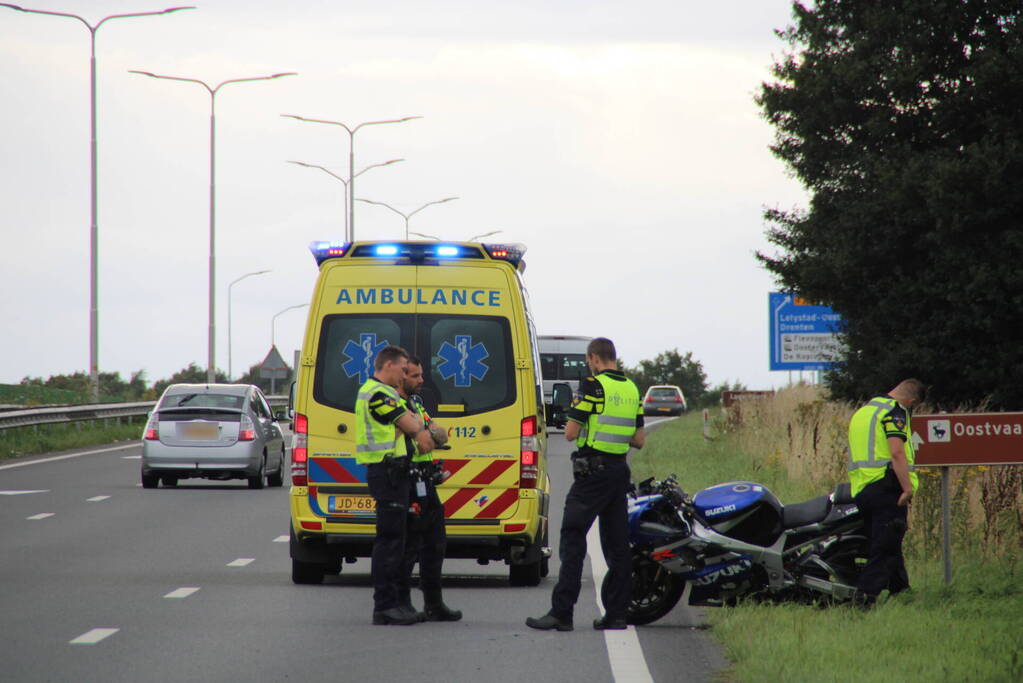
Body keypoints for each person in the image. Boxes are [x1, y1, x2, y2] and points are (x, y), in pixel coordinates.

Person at [526, 337, 645, 632]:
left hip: (592, 474)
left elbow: (570, 432)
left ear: (593, 358)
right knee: (617, 546)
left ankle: (562, 613)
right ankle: (617, 614)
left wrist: (586, 423)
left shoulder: (593, 386)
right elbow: (639, 440)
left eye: (587, 361)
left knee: (572, 537)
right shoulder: (632, 389)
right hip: (619, 472)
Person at [354, 345, 435, 626]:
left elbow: (413, 423)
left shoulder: (386, 393)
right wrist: (410, 425)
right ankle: (384, 606)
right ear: (388, 366)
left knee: (398, 540)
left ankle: (397, 603)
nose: (404, 376)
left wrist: (411, 424)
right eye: (402, 369)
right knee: (389, 541)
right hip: (385, 472)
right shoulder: (377, 393)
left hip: (395, 473)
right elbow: (415, 428)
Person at [847, 378, 927, 606]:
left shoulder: (864, 411)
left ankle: (902, 591)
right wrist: (907, 488)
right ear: (911, 400)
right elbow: (897, 453)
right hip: (885, 487)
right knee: (883, 547)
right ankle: (864, 598)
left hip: (862, 487)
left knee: (889, 541)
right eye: (914, 407)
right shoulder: (895, 412)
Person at [396, 356, 462, 622]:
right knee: (408, 546)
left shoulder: (416, 404)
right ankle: (403, 603)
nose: (422, 380)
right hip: (408, 482)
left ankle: (434, 604)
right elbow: (423, 440)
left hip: (426, 482)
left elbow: (440, 435)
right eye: (415, 376)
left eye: (421, 375)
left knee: (436, 544)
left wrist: (426, 432)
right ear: (402, 377)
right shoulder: (395, 406)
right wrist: (426, 433)